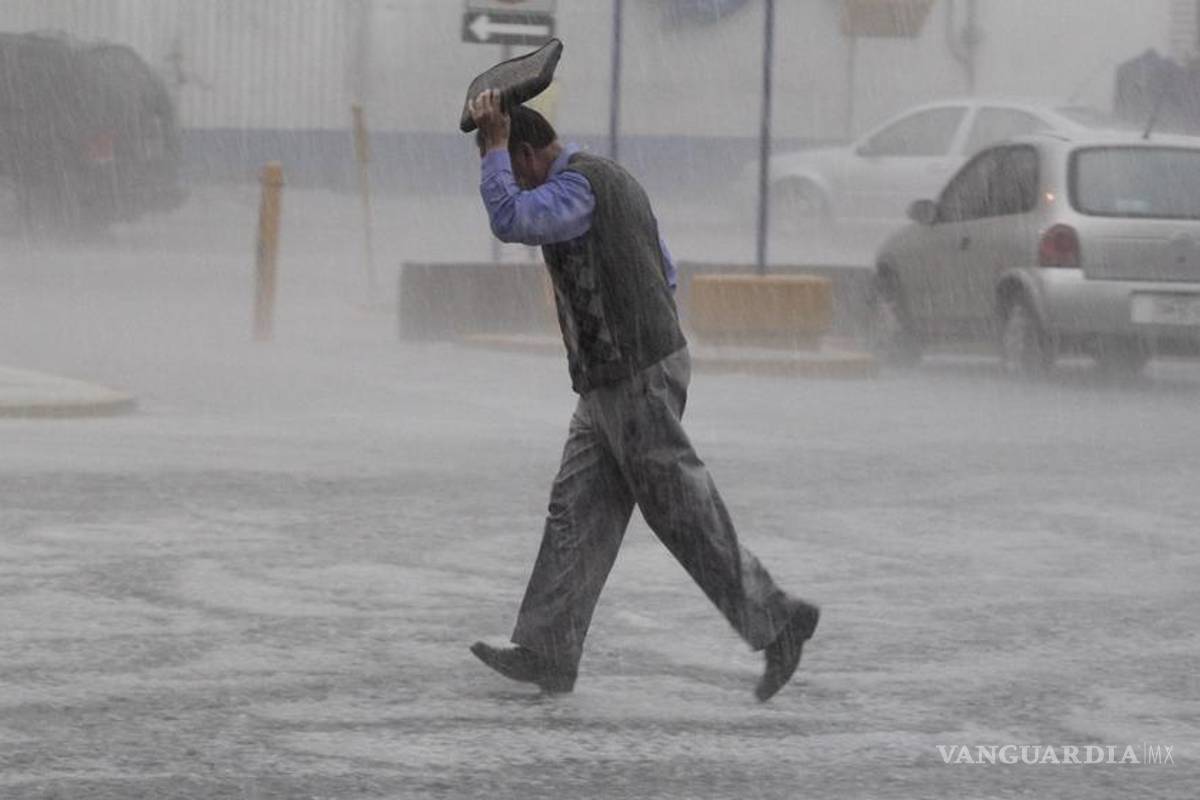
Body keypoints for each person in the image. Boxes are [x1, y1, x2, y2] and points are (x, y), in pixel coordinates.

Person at [466, 90, 819, 702]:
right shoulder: (612, 182)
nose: (507, 178)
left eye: (505, 164)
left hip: (632, 373)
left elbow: (512, 220)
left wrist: (491, 145)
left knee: (682, 510)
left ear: (524, 154)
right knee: (577, 510)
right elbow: (665, 268)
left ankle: (777, 620)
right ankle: (549, 649)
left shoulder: (580, 188)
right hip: (614, 376)